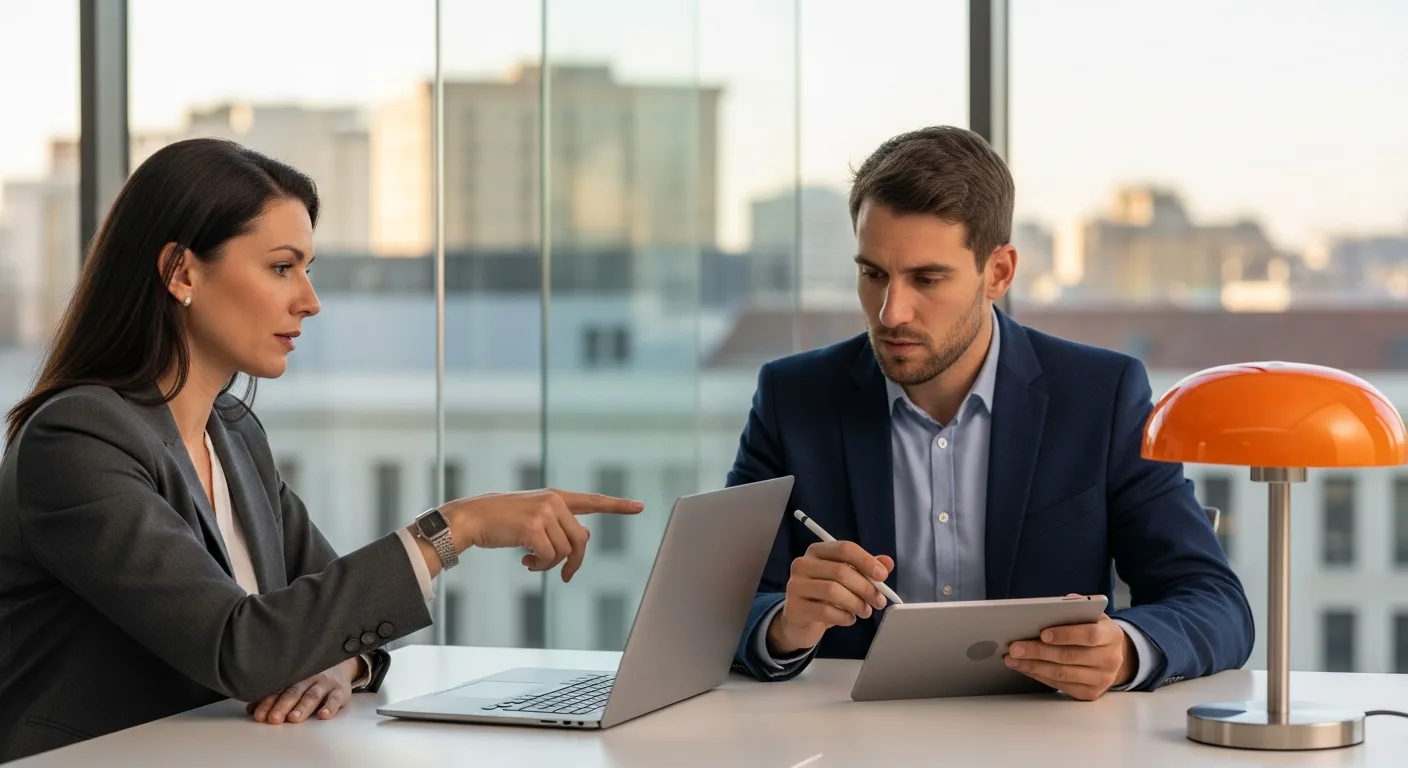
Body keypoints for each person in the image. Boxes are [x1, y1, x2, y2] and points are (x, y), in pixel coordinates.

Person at [0, 138, 642, 761]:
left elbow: (333, 612)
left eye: (308, 269)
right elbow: (242, 646)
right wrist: (456, 527)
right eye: (282, 267)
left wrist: (343, 664)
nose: (309, 301)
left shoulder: (235, 434)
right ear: (182, 271)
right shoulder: (77, 440)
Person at [727, 126, 1253, 699]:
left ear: (998, 273)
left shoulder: (1100, 395)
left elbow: (1214, 603)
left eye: (927, 278)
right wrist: (784, 626)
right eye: (872, 273)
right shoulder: (792, 397)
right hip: (847, 741)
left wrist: (1125, 649)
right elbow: (719, 609)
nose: (890, 311)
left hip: (1043, 740)